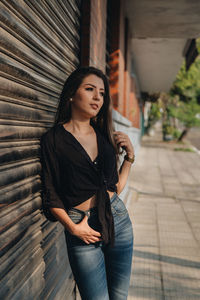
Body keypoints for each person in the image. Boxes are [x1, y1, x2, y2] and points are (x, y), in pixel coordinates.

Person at [40, 66, 134, 300]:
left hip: (118, 219)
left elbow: (114, 189)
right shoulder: (53, 140)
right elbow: (50, 192)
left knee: (119, 296)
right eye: (90, 89)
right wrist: (72, 228)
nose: (97, 98)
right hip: (81, 227)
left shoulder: (105, 137)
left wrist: (129, 158)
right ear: (72, 94)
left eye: (101, 93)